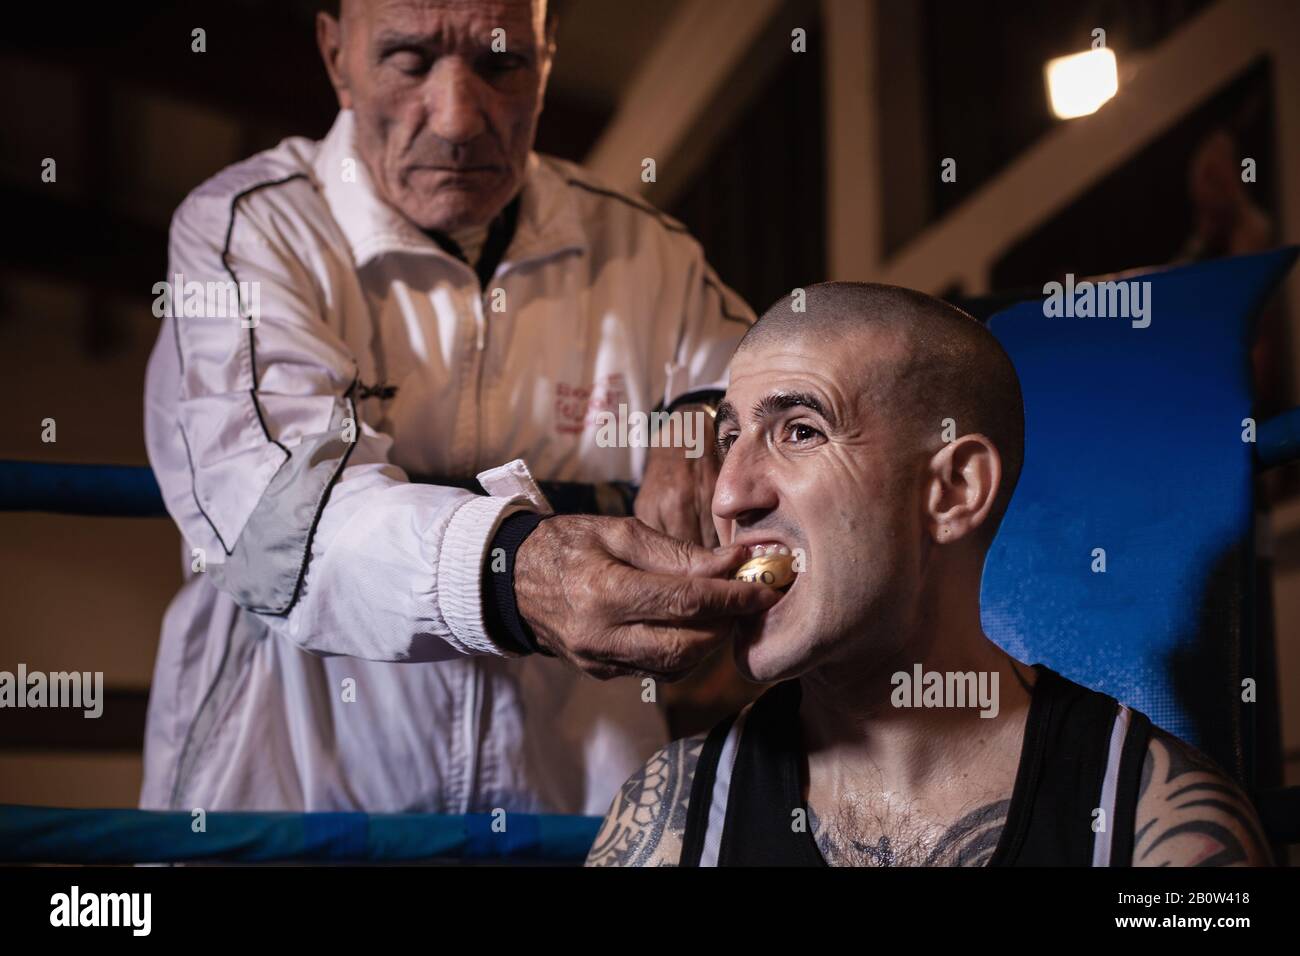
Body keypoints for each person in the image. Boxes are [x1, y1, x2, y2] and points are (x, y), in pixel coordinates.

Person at [140, 0, 778, 816]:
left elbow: (760, 379)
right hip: (290, 794)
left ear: (549, 55)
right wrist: (514, 570)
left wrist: (702, 414)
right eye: (409, 61)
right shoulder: (248, 230)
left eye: (503, 61)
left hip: (563, 803)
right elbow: (277, 522)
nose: (458, 118)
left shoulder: (645, 250)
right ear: (337, 54)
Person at [587, 282, 1273, 866]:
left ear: (954, 491)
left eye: (800, 431)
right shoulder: (667, 827)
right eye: (730, 438)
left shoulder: (1158, 833)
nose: (729, 497)